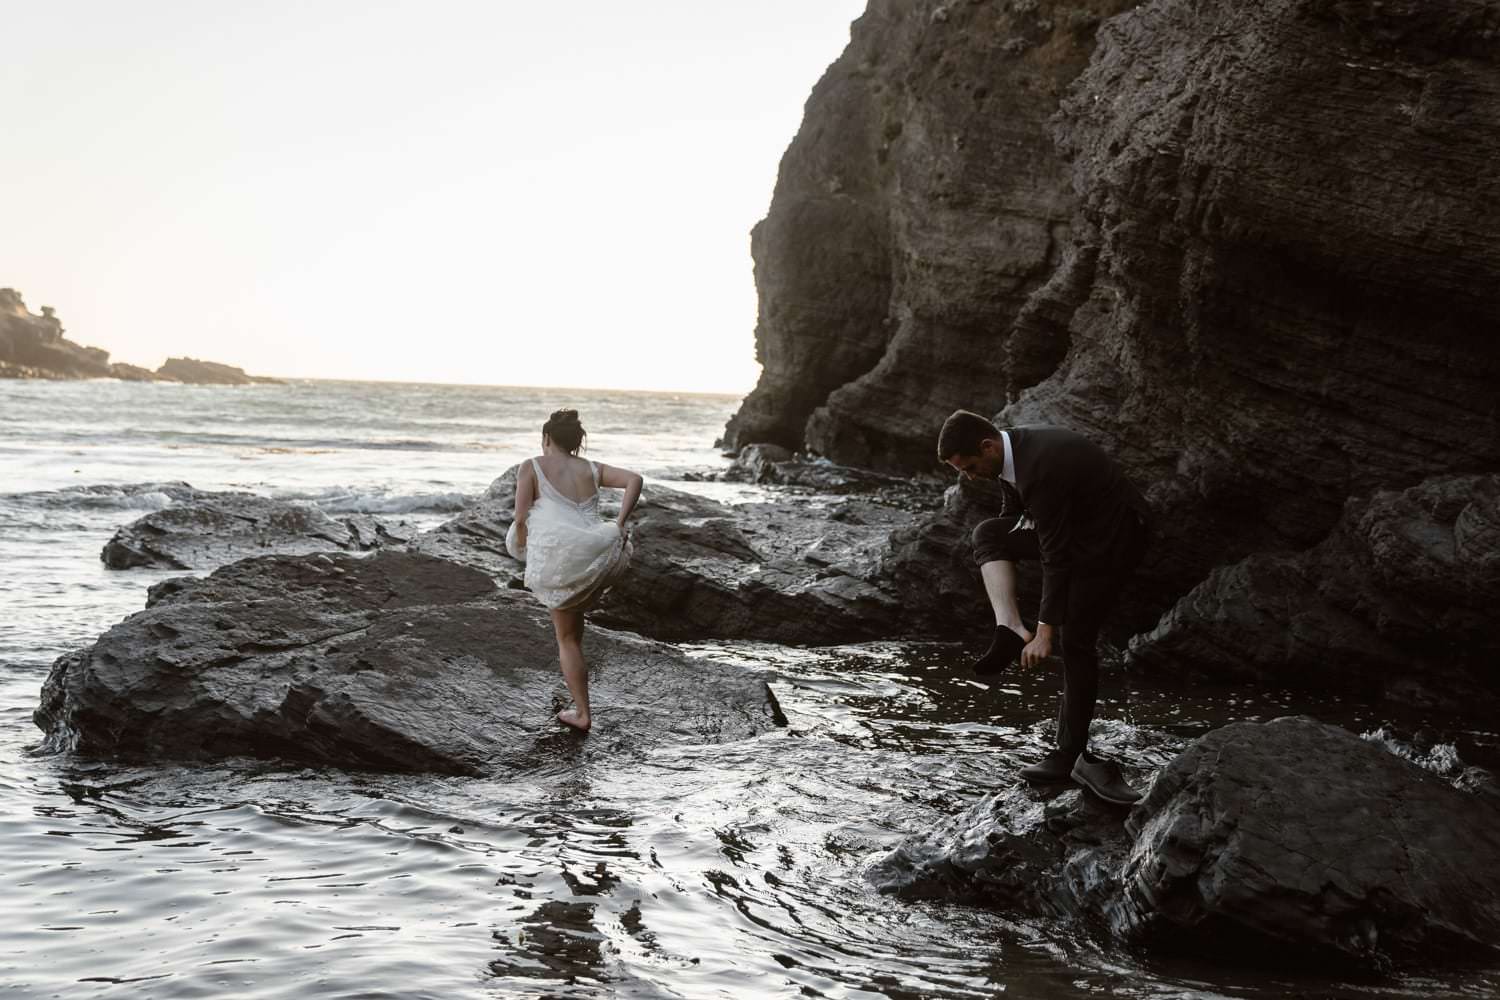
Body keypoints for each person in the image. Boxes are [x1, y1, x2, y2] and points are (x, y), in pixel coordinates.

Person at [937, 410, 1151, 805]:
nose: (969, 476)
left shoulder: (1042, 465)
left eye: (969, 467)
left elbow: (1057, 555)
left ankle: (1072, 756)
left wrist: (1046, 632)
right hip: (1078, 529)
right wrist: (1006, 546)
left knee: (1077, 642)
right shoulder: (1009, 454)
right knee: (988, 533)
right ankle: (1009, 628)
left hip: (1112, 541)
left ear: (987, 446)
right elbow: (1014, 518)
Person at [506, 408, 642, 733]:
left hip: (564, 556)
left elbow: (520, 516)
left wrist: (524, 551)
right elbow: (635, 479)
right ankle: (578, 701)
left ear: (547, 438)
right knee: (573, 634)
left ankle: (582, 714)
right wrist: (619, 524)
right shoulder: (592, 468)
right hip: (596, 551)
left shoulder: (532, 466)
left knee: (566, 639)